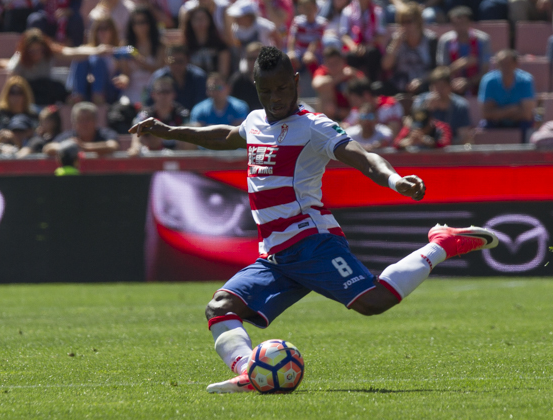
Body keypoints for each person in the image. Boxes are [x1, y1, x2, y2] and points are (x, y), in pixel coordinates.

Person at [128, 45, 499, 394]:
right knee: (220, 309)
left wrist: (394, 179)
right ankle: (249, 371)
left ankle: (442, 243)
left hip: (312, 242)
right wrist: (169, 131)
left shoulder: (314, 126)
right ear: (256, 87)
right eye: (267, 90)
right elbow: (225, 135)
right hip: (275, 255)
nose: (276, 98)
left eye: (283, 89)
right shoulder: (256, 120)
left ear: (297, 82)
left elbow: (361, 155)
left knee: (374, 302)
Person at [478, 49, 535, 142]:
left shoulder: (526, 80)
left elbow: (527, 114)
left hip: (519, 123)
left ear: (517, 64)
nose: (505, 67)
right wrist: (513, 109)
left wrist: (498, 112)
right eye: (501, 63)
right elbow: (486, 114)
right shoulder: (488, 81)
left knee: (527, 125)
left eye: (509, 63)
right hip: (495, 123)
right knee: (485, 126)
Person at [381, 2, 437, 96]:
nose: (405, 26)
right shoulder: (395, 39)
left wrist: (421, 81)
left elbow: (436, 70)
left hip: (424, 84)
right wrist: (396, 45)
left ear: (419, 22)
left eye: (409, 21)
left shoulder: (431, 40)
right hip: (399, 85)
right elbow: (386, 66)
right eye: (402, 22)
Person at [128, 75, 193, 155]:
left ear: (173, 94)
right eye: (160, 92)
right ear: (153, 95)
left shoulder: (182, 114)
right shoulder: (145, 115)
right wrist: (135, 147)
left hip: (177, 155)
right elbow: (136, 140)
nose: (163, 96)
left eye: (166, 92)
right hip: (152, 155)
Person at [436, 6, 491, 96]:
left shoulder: (483, 40)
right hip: (451, 86)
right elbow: (442, 72)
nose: (459, 27)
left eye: (462, 23)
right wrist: (461, 64)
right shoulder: (445, 41)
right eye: (455, 24)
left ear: (470, 23)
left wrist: (468, 82)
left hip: (477, 85)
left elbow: (485, 71)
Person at [412, 66, 472, 144]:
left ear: (450, 87)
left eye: (443, 86)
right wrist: (427, 111)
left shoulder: (460, 106)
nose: (439, 91)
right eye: (436, 86)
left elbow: (463, 138)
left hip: (450, 150)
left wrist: (441, 144)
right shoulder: (421, 102)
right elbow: (416, 132)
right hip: (424, 148)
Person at [121, 7, 166, 105]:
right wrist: (122, 80)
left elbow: (159, 72)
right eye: (135, 22)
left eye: (143, 22)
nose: (139, 26)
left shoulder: (160, 46)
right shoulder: (126, 46)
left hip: (154, 92)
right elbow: (126, 74)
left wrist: (140, 61)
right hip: (132, 92)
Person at [144, 44, 207, 112]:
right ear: (167, 61)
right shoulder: (158, 77)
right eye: (172, 61)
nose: (176, 65)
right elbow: (149, 105)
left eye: (180, 61)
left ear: (188, 60)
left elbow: (203, 105)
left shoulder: (198, 77)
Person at [0, 75, 38, 145]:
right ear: (6, 94)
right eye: (12, 92)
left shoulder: (32, 115)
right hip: (1, 151)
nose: (16, 96)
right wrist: (1, 139)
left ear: (26, 95)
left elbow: (39, 137)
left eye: (20, 92)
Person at [312, 46, 365, 121]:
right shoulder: (323, 71)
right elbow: (317, 85)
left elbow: (365, 83)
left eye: (336, 63)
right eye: (330, 64)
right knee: (325, 89)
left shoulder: (349, 71)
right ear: (325, 63)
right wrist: (340, 77)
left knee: (358, 89)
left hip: (351, 111)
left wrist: (354, 75)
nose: (334, 67)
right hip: (332, 111)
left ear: (343, 61)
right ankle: (326, 123)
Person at [339, 0, 386, 81]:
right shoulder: (348, 11)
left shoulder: (377, 11)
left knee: (373, 53)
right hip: (354, 46)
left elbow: (380, 35)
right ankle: (354, 85)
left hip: (371, 45)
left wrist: (366, 47)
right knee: (350, 56)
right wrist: (354, 47)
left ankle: (373, 83)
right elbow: (344, 35)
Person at [51, 101, 119, 155]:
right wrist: (70, 146)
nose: (84, 124)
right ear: (74, 122)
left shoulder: (106, 133)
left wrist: (83, 147)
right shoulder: (68, 136)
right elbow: (49, 148)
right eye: (80, 120)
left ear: (95, 120)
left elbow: (112, 146)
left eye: (88, 119)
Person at [184, 6, 230, 80]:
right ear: (190, 22)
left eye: (203, 18)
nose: (200, 22)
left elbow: (223, 74)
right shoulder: (185, 46)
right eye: (196, 19)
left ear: (210, 21)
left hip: (215, 86)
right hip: (193, 86)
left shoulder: (220, 45)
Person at [287, 0, 327, 74]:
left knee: (312, 60)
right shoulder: (297, 21)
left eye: (310, 7)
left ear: (316, 8)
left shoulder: (321, 23)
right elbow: (293, 37)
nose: (308, 10)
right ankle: (294, 83)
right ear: (301, 9)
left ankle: (315, 80)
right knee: (290, 60)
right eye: (305, 8)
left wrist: (309, 52)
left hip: (315, 53)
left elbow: (316, 40)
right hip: (299, 51)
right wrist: (291, 51)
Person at [228, 41, 262, 111]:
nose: (253, 62)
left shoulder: (270, 80)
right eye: (250, 59)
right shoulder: (237, 80)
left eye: (256, 58)